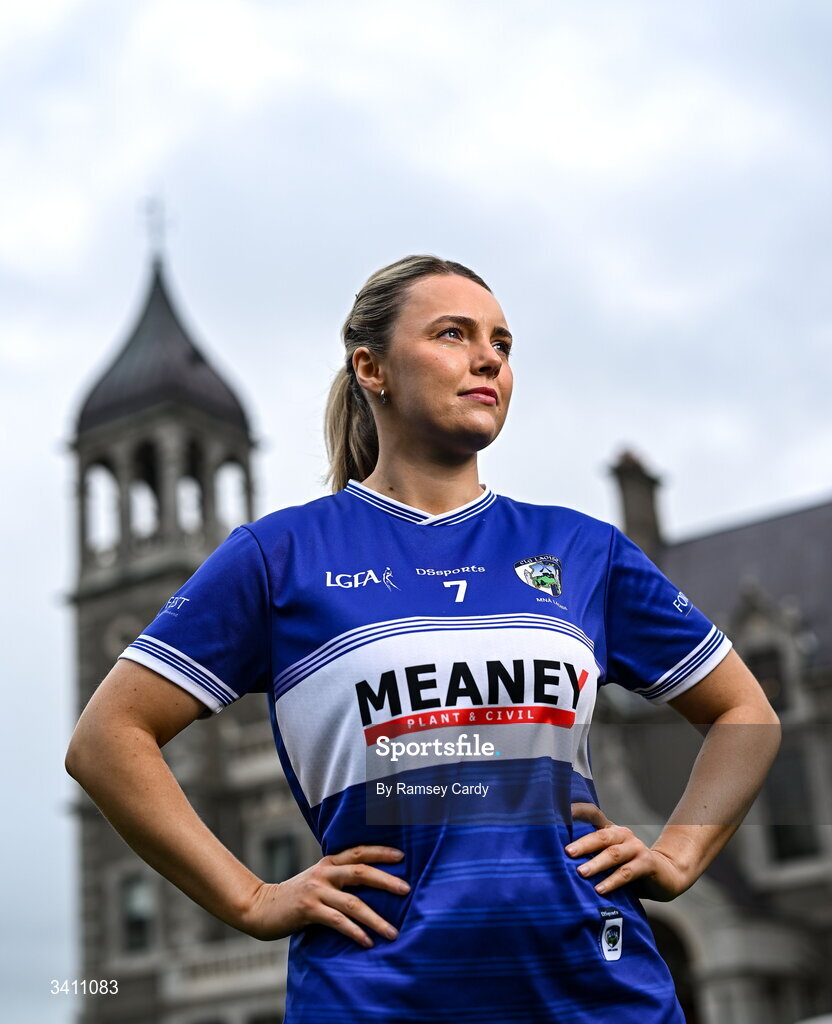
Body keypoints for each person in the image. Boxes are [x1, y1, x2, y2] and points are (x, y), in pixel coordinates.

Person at [66, 255, 781, 1023]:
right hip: (377, 999)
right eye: (453, 334)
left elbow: (747, 715)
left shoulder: (580, 550)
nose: (487, 359)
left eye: (502, 345)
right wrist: (253, 897)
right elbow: (107, 740)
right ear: (371, 367)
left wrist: (676, 856)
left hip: (599, 995)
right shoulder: (280, 556)